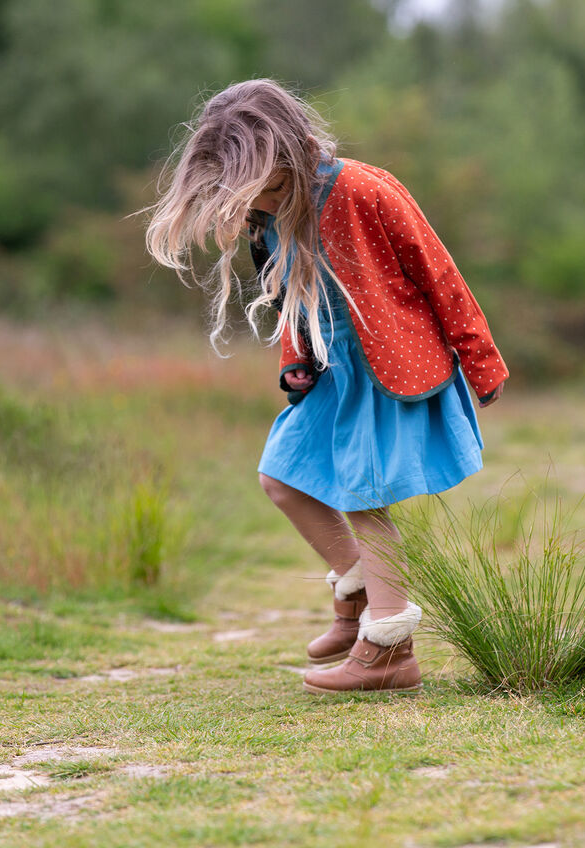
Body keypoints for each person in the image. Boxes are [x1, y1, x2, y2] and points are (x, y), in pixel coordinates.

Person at [144, 79, 508, 695]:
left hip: (387, 368)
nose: (250, 201)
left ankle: (390, 648)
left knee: (365, 498)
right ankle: (361, 588)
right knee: (280, 476)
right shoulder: (267, 217)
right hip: (331, 370)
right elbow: (293, 295)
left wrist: (482, 361)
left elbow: (437, 269)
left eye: (258, 184)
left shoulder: (363, 189)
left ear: (285, 152)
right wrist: (296, 359)